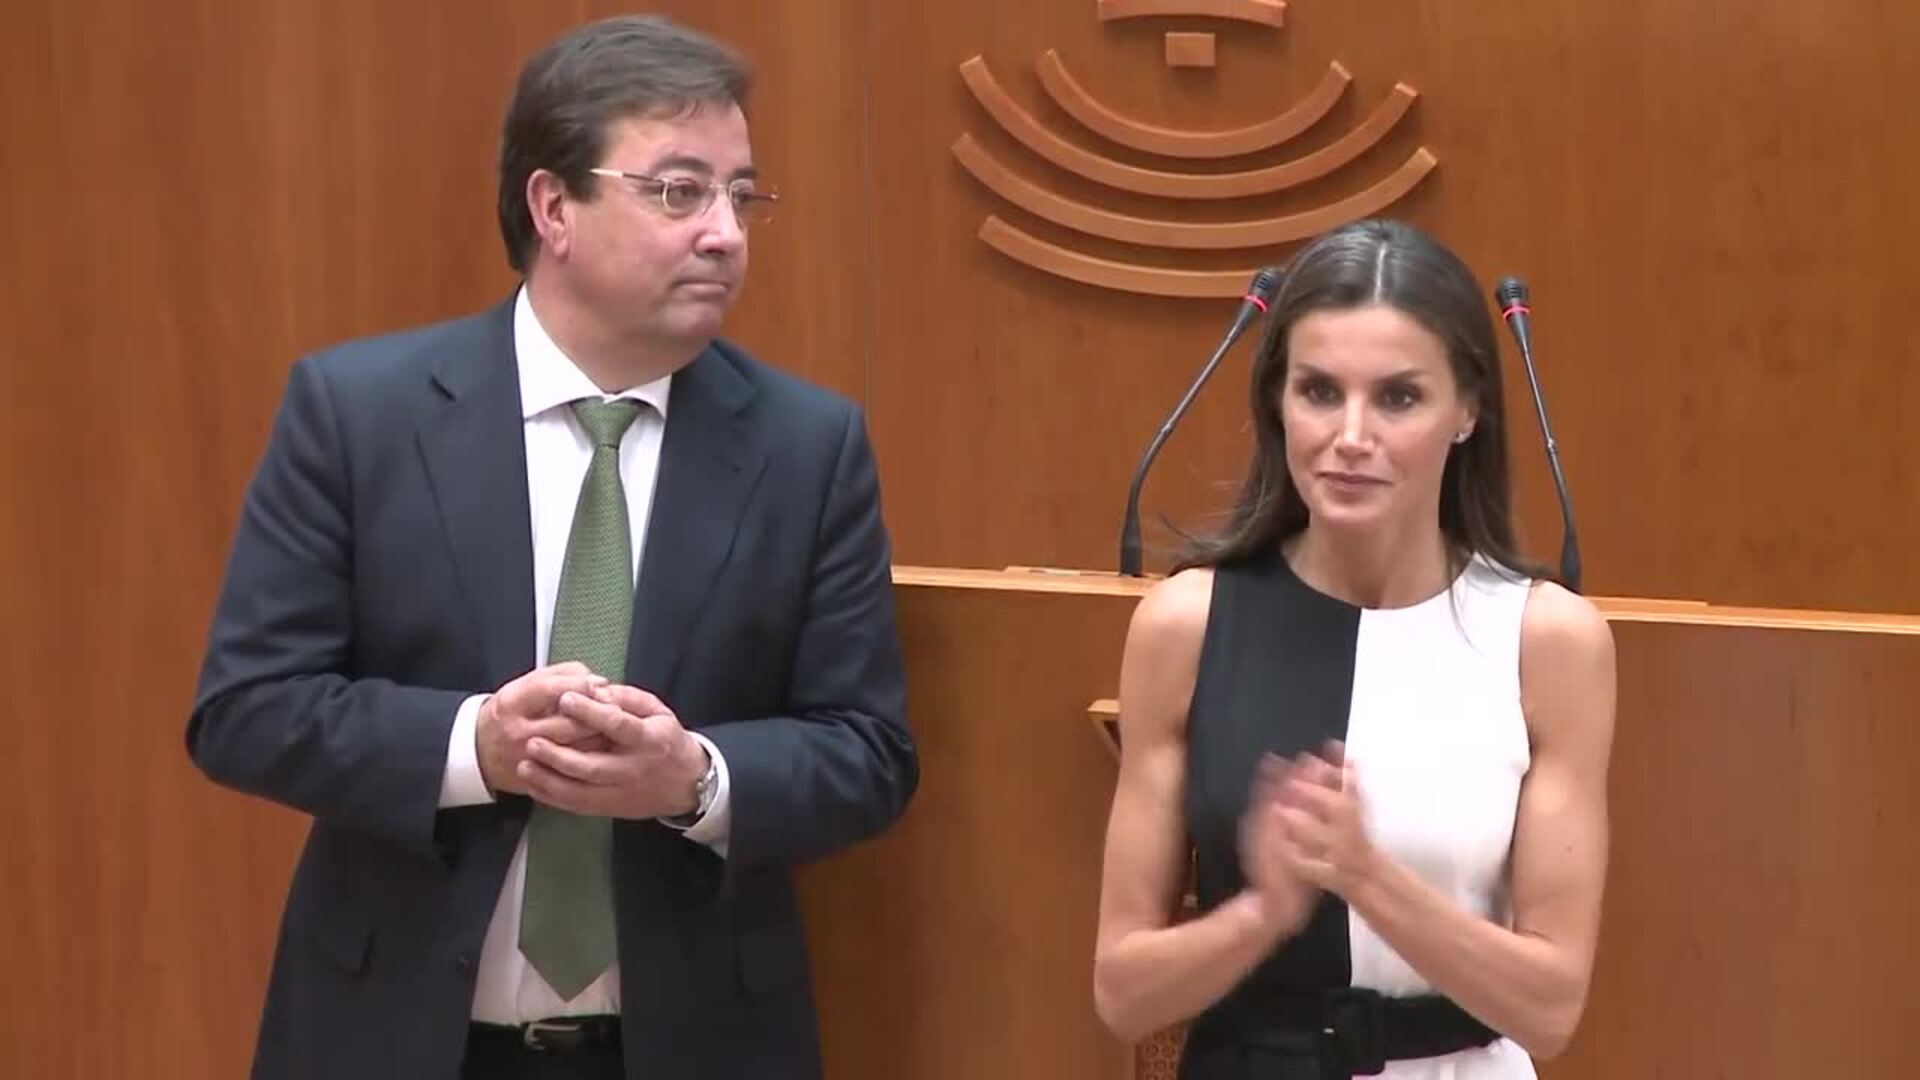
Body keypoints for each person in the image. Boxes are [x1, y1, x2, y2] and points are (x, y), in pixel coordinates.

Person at [187, 15, 917, 1080]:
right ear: (553, 206)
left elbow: (869, 752)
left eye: (741, 195)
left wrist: (695, 778)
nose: (725, 233)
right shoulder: (360, 416)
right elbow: (247, 710)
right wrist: (473, 746)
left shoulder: (808, 448)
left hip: (694, 1044)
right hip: (395, 1037)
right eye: (679, 191)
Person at [1091, 219, 1616, 1078]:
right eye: (1319, 391)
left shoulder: (1545, 640)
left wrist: (1365, 875)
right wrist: (1262, 913)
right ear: (1277, 401)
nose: (1351, 436)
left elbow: (1550, 1009)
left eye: (1398, 398)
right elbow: (1123, 994)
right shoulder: (1187, 624)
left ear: (1468, 411)